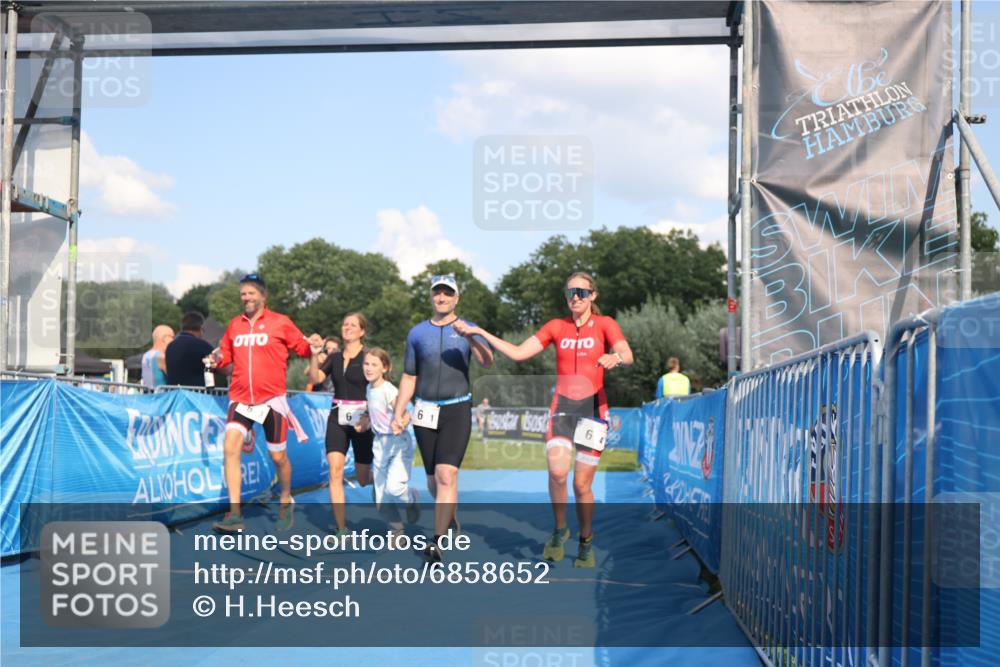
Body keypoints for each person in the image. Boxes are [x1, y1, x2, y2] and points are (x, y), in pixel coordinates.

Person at [456, 272, 633, 568]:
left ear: (593, 296)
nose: (575, 297)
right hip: (562, 407)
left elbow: (627, 353)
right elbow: (518, 353)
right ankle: (560, 529)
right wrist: (479, 332)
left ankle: (586, 540)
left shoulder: (605, 324)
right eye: (570, 292)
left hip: (592, 410)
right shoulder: (556, 326)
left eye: (581, 292)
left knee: (581, 485)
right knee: (557, 473)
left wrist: (616, 358)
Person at [392, 274, 493, 563]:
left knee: (446, 474)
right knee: (433, 481)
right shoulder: (417, 333)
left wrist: (470, 336)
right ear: (431, 296)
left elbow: (487, 361)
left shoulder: (468, 328)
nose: (442, 297)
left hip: (456, 409)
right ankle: (447, 517)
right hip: (424, 412)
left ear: (456, 298)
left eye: (448, 293)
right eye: (437, 292)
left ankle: (436, 542)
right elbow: (409, 376)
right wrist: (399, 411)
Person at [205, 273, 313, 533]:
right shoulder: (235, 326)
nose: (246, 298)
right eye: (243, 293)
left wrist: (315, 345)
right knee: (230, 447)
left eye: (251, 293)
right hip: (240, 398)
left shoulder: (280, 322)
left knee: (278, 457)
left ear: (263, 296)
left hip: (271, 400)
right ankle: (235, 514)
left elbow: (303, 348)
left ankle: (285, 499)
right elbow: (225, 357)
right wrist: (215, 360)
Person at [306, 313, 373, 534]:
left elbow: (379, 386)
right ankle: (341, 528)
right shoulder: (334, 358)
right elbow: (315, 378)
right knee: (335, 472)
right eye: (345, 324)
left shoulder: (368, 356)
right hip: (337, 416)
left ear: (362, 331)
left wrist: (370, 415)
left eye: (353, 325)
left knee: (363, 479)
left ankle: (388, 481)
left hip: (362, 418)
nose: (347, 328)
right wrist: (313, 355)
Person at [359, 347, 420, 541]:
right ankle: (396, 530)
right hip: (379, 444)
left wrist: (402, 423)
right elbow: (374, 411)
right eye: (366, 364)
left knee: (394, 489)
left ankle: (412, 498)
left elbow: (406, 412)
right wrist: (365, 421)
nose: (369, 368)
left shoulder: (389, 390)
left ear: (385, 368)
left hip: (398, 443)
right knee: (379, 497)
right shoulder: (369, 388)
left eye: (374, 365)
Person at [165, 312, 215, 387]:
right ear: (201, 328)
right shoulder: (201, 345)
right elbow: (222, 368)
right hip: (195, 393)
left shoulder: (170, 346)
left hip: (174, 393)